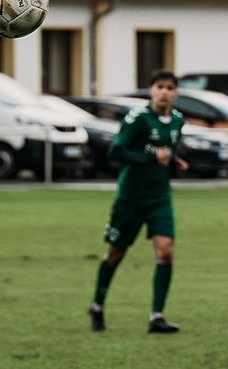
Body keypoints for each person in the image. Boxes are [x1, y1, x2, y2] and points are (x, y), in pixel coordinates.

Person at [87, 70, 188, 333]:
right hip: (131, 198)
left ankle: (157, 317)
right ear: (151, 90)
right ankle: (97, 305)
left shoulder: (178, 121)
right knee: (116, 253)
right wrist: (151, 158)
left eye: (170, 88)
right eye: (160, 87)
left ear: (176, 93)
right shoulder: (138, 119)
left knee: (166, 251)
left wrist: (174, 161)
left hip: (160, 197)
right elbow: (116, 151)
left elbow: (168, 150)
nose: (164, 92)